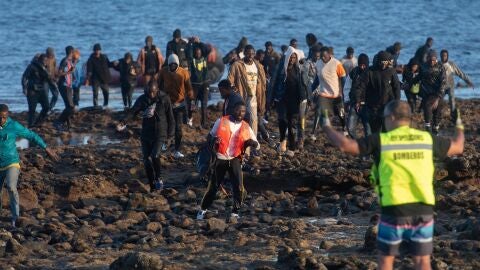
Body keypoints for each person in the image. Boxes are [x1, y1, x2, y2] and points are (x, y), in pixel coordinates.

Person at [321, 100, 465, 270]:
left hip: (394, 211)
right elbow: (458, 147)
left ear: (392, 117)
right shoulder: (426, 139)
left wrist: (327, 125)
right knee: (422, 261)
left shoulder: (382, 140)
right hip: (423, 210)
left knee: (386, 260)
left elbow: (346, 145)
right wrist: (459, 124)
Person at [197, 102, 259, 220]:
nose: (240, 113)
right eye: (238, 110)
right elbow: (209, 137)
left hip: (234, 159)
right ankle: (203, 210)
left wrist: (252, 143)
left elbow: (257, 144)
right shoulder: (221, 121)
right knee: (213, 186)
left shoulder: (246, 126)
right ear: (232, 110)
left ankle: (235, 212)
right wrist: (214, 141)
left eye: (243, 111)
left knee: (238, 187)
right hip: (220, 158)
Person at [0, 104, 59, 227]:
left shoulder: (13, 126)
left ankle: (15, 218)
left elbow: (31, 135)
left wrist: (46, 147)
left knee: (11, 187)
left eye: (4, 117)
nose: (1, 120)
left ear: (7, 116)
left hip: (11, 162)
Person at [117, 82, 174, 192]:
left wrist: (170, 136)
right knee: (146, 160)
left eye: (153, 92)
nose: (151, 95)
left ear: (157, 90)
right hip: (146, 134)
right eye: (149, 93)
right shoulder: (142, 99)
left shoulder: (164, 99)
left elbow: (171, 118)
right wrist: (124, 121)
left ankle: (158, 179)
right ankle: (152, 185)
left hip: (160, 133)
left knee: (155, 156)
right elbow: (133, 112)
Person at [352, 51, 401, 133]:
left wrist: (397, 102)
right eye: (382, 62)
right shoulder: (369, 71)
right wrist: (357, 100)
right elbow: (360, 86)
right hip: (373, 107)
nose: (384, 65)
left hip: (387, 105)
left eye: (385, 62)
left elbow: (396, 87)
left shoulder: (391, 71)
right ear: (378, 61)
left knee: (387, 130)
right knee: (376, 131)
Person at [158, 54, 194, 158]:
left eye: (175, 65)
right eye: (170, 65)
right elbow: (158, 85)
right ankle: (164, 145)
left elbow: (189, 88)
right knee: (166, 126)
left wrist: (191, 101)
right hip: (167, 104)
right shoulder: (163, 71)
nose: (172, 67)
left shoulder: (184, 73)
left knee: (178, 128)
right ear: (168, 65)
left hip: (179, 104)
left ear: (178, 64)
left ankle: (177, 150)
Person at [272, 46, 307, 154]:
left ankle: (291, 148)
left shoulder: (299, 70)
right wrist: (271, 98)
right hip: (282, 99)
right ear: (287, 57)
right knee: (282, 120)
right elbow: (274, 83)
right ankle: (282, 142)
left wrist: (307, 98)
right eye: (291, 57)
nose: (292, 59)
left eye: (294, 58)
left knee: (292, 125)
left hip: (295, 101)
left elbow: (305, 85)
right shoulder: (281, 69)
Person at [227, 44, 267, 137]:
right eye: (248, 54)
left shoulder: (258, 66)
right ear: (244, 53)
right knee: (239, 119)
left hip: (253, 97)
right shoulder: (237, 65)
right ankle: (238, 139)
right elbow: (229, 80)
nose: (250, 56)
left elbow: (263, 82)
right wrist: (233, 87)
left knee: (253, 119)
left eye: (252, 54)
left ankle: (254, 143)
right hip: (241, 96)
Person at [310, 46, 347, 139]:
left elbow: (343, 78)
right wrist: (310, 91)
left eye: (324, 56)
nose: (323, 58)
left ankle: (344, 129)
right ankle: (313, 134)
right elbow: (317, 80)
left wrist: (343, 91)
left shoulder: (336, 63)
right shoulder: (318, 63)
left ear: (329, 55)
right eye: (321, 56)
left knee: (341, 113)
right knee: (318, 111)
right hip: (323, 93)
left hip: (335, 93)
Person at [21, 54, 58, 127]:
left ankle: (38, 122)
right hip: (32, 91)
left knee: (46, 107)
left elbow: (49, 79)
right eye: (44, 60)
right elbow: (24, 77)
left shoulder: (46, 68)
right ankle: (31, 126)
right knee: (32, 110)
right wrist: (24, 88)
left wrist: (54, 84)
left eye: (46, 61)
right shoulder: (32, 66)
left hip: (42, 91)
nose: (45, 62)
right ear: (40, 60)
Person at [416, 50, 447, 134]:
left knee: (438, 111)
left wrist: (438, 96)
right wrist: (410, 83)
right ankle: (427, 127)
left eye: (433, 60)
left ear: (436, 59)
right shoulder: (423, 66)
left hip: (438, 93)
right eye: (430, 60)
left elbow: (443, 82)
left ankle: (436, 128)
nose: (432, 62)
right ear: (427, 59)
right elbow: (419, 77)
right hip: (426, 92)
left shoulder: (440, 67)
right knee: (427, 108)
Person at [440, 49, 474, 121]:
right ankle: (437, 116)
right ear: (440, 56)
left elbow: (460, 73)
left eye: (445, 56)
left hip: (450, 86)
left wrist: (468, 81)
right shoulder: (438, 65)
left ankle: (453, 117)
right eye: (442, 56)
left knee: (452, 100)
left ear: (447, 56)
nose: (443, 57)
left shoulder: (451, 64)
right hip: (441, 87)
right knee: (439, 101)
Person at [347, 53, 371, 139]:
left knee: (368, 131)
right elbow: (347, 86)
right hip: (354, 104)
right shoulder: (354, 72)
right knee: (350, 128)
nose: (362, 67)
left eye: (364, 65)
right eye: (360, 65)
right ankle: (359, 144)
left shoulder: (371, 73)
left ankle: (369, 148)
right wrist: (347, 100)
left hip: (367, 106)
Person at [54, 45, 76, 131]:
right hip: (64, 85)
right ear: (71, 52)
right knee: (71, 107)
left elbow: (70, 72)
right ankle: (58, 122)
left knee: (68, 106)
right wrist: (69, 72)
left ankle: (68, 125)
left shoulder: (70, 61)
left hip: (69, 86)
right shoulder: (65, 61)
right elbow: (59, 73)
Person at [86, 43, 113, 107]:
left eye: (98, 50)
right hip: (95, 79)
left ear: (100, 50)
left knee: (106, 92)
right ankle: (95, 106)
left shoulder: (104, 57)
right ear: (94, 51)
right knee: (95, 93)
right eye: (96, 50)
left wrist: (114, 63)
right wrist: (87, 79)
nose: (97, 51)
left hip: (104, 78)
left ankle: (105, 104)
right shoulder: (90, 59)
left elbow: (109, 64)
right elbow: (89, 71)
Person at [189, 47, 210, 128]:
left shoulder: (204, 59)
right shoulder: (192, 60)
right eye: (196, 53)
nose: (198, 54)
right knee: (192, 103)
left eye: (199, 53)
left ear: (201, 53)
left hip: (204, 85)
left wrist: (199, 43)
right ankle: (190, 121)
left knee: (204, 104)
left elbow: (208, 49)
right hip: (195, 85)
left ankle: (203, 123)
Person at [45, 47, 59, 112]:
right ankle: (46, 109)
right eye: (49, 54)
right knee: (46, 95)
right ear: (47, 53)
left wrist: (57, 78)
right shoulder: (44, 59)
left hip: (52, 80)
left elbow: (55, 69)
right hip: (45, 80)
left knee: (56, 94)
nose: (51, 55)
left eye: (51, 53)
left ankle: (50, 107)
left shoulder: (54, 59)